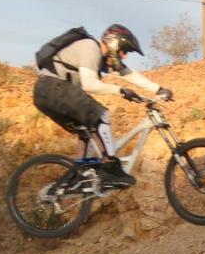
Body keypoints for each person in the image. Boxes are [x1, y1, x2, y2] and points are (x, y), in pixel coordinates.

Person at [32, 24, 173, 188]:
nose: (125, 56)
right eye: (124, 51)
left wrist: (158, 89)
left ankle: (77, 173)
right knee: (100, 115)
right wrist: (120, 91)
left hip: (47, 95)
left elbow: (129, 74)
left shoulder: (102, 59)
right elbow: (89, 84)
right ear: (114, 44)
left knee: (86, 130)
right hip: (51, 88)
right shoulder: (90, 47)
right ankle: (110, 168)